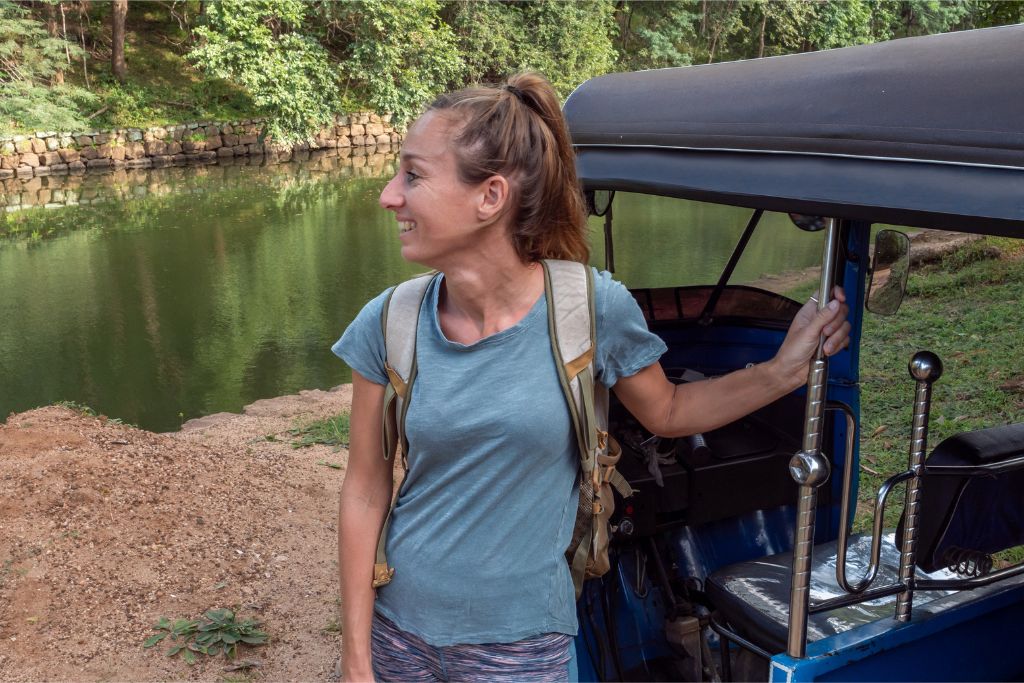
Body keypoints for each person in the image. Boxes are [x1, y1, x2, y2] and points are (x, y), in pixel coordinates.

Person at [333, 72, 850, 682]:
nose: (390, 195)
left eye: (413, 175)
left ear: (490, 196)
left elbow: (670, 412)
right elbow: (366, 489)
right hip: (399, 633)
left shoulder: (589, 308)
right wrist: (357, 655)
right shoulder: (389, 321)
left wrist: (782, 371)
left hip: (523, 645)